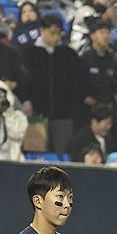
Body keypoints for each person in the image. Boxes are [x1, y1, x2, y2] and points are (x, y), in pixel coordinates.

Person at [22, 13, 85, 154]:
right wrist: (27, 100)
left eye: (59, 33)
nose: (56, 37)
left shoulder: (69, 55)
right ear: (42, 30)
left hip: (64, 115)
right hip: (37, 114)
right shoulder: (29, 54)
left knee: (63, 154)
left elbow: (76, 83)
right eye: (52, 33)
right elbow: (24, 81)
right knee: (38, 154)